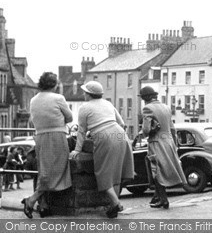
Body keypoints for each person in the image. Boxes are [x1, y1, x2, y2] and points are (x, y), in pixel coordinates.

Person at [72, 81, 134, 218]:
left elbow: (81, 131)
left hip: (103, 136)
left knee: (102, 173)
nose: (83, 94)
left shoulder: (84, 107)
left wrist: (77, 150)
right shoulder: (108, 104)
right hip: (120, 134)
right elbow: (122, 123)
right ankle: (113, 207)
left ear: (89, 94)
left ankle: (116, 203)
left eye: (84, 92)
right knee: (116, 173)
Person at [22, 72, 73, 218]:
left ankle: (43, 205)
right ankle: (32, 200)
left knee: (44, 171)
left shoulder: (33, 100)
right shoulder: (58, 98)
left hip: (40, 136)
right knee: (59, 169)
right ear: (55, 84)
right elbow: (70, 117)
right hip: (57, 135)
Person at [139, 86, 186, 209]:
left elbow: (146, 130)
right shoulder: (166, 107)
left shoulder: (147, 108)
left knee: (156, 171)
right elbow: (173, 129)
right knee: (164, 169)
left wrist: (143, 133)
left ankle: (163, 200)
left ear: (146, 98)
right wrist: (175, 144)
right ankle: (158, 197)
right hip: (169, 141)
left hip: (156, 142)